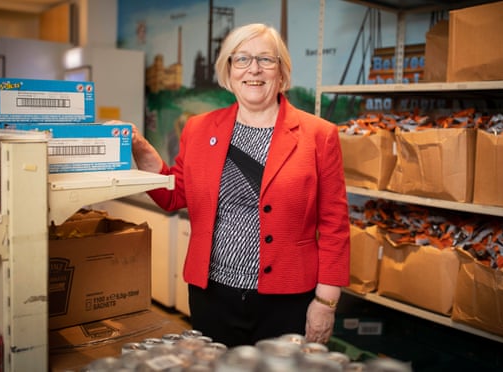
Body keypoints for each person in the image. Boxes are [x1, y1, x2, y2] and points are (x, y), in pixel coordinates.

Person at [130, 23, 350, 347]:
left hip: (288, 300)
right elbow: (174, 195)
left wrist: (326, 303)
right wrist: (141, 149)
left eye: (266, 59)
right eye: (242, 59)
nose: (254, 69)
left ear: (282, 70)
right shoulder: (199, 128)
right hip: (213, 295)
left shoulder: (319, 135)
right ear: (228, 70)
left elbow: (335, 225)